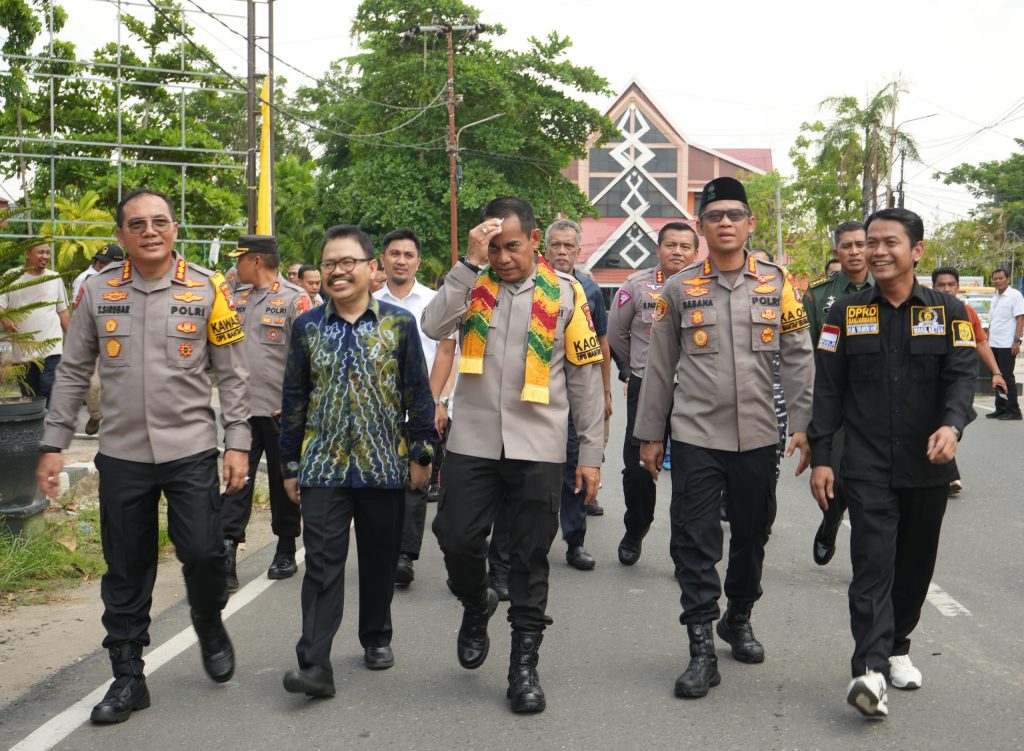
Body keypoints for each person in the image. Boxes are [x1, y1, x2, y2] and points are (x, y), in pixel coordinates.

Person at [36, 188, 250, 723]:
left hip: (191, 450)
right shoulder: (99, 292)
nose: (150, 230)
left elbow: (233, 375)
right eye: (138, 224)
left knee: (203, 552)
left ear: (175, 229)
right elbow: (73, 372)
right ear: (122, 236)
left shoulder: (208, 290)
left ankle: (207, 618)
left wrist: (239, 443)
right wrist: (53, 443)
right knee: (127, 568)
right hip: (123, 454)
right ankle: (128, 676)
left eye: (160, 222)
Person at [421, 196, 604, 714]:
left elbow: (586, 379)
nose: (503, 258)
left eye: (513, 247)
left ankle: (523, 664)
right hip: (473, 441)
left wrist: (590, 454)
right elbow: (434, 328)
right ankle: (476, 602)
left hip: (539, 447)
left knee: (528, 557)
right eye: (494, 247)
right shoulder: (470, 284)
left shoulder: (566, 295)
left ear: (536, 239)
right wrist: (467, 262)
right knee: (455, 538)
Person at [634, 177, 814, 700]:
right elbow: (658, 363)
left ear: (750, 224)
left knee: (753, 533)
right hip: (695, 434)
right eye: (716, 216)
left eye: (735, 214)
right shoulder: (678, 287)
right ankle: (700, 648)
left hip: (758, 433)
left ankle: (738, 617)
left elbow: (799, 356)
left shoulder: (778, 284)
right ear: (702, 226)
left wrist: (803, 424)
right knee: (695, 538)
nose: (726, 223)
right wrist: (649, 434)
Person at [808, 208, 977, 718]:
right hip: (866, 465)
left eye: (889, 243)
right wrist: (822, 457)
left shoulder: (950, 312)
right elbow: (829, 390)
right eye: (870, 242)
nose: (878, 251)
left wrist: (952, 425)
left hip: (927, 465)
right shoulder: (844, 313)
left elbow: (961, 377)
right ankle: (871, 671)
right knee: (871, 566)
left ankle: (898, 644)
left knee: (915, 567)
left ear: (916, 251)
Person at [278, 225, 434, 698]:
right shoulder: (307, 326)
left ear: (372, 268)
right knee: (322, 563)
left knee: (380, 559)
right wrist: (289, 465)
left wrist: (422, 453)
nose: (337, 271)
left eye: (348, 262)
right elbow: (294, 399)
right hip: (323, 467)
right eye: (329, 264)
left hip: (383, 465)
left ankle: (376, 636)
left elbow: (417, 394)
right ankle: (315, 664)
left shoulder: (399, 324)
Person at [220, 235, 310, 591]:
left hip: (279, 411)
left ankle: (286, 547)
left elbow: (307, 357)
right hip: (240, 411)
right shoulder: (235, 299)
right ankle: (227, 551)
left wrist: (297, 403)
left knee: (282, 481)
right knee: (234, 481)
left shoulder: (294, 299)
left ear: (255, 261)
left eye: (239, 259)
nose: (235, 266)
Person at [607, 221, 699, 566]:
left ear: (695, 252)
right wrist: (637, 369)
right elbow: (616, 333)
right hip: (647, 385)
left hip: (694, 386)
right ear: (658, 249)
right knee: (637, 468)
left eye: (685, 246)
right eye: (670, 245)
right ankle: (636, 528)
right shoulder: (637, 286)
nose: (677, 252)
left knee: (693, 469)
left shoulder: (707, 286)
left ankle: (683, 549)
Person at [372, 227, 448, 587]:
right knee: (379, 485)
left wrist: (440, 401)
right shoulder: (366, 302)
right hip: (376, 411)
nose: (401, 261)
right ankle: (382, 550)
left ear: (418, 261)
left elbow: (450, 355)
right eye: (394, 254)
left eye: (408, 255)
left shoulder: (435, 303)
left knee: (417, 480)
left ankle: (405, 555)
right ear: (382, 259)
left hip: (422, 409)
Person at [802, 220, 874, 565]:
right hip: (834, 401)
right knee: (834, 482)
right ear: (837, 251)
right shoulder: (818, 296)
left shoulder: (892, 287)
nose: (855, 252)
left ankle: (868, 563)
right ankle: (831, 519)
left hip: (880, 402)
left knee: (872, 486)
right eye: (848, 246)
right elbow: (805, 355)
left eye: (862, 244)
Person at [543, 218, 610, 570]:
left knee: (575, 468)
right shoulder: (533, 285)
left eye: (569, 246)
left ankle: (575, 542)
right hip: (539, 399)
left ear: (579, 251)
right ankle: (527, 541)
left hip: (575, 399)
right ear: (545, 247)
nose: (562, 251)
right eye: (556, 245)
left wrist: (606, 392)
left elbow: (600, 342)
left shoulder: (589, 289)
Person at [932, 266, 1007, 493]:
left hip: (957, 382)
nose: (946, 289)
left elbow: (981, 343)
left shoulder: (967, 312)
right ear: (933, 287)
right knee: (938, 424)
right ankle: (948, 474)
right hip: (928, 382)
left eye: (951, 285)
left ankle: (945, 469)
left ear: (958, 287)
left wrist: (996, 372)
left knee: (954, 424)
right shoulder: (923, 310)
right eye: (941, 285)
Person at [0, 240, 70, 407]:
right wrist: (5, 319)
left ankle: (50, 426)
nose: (45, 256)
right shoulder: (12, 277)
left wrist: (75, 341)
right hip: (22, 350)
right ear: (27, 253)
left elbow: (63, 312)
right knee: (29, 394)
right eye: (40, 252)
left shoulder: (55, 278)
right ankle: (36, 429)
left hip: (51, 347)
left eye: (47, 252)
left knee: (49, 386)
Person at [71, 243, 126, 435]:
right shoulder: (85, 280)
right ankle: (95, 415)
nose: (103, 267)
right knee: (92, 386)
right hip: (94, 342)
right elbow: (78, 313)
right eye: (101, 263)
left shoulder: (127, 280)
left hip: (120, 341)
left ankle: (115, 423)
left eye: (110, 264)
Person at [986, 267, 1024, 420]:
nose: (997, 281)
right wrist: (987, 340)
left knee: (1007, 377)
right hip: (993, 343)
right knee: (997, 376)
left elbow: (1020, 318)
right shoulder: (994, 297)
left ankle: (1014, 411)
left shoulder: (1014, 295)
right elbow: (992, 321)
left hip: (1007, 344)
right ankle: (1001, 408)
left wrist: (1017, 341)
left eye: (1001, 278)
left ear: (1008, 279)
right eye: (995, 278)